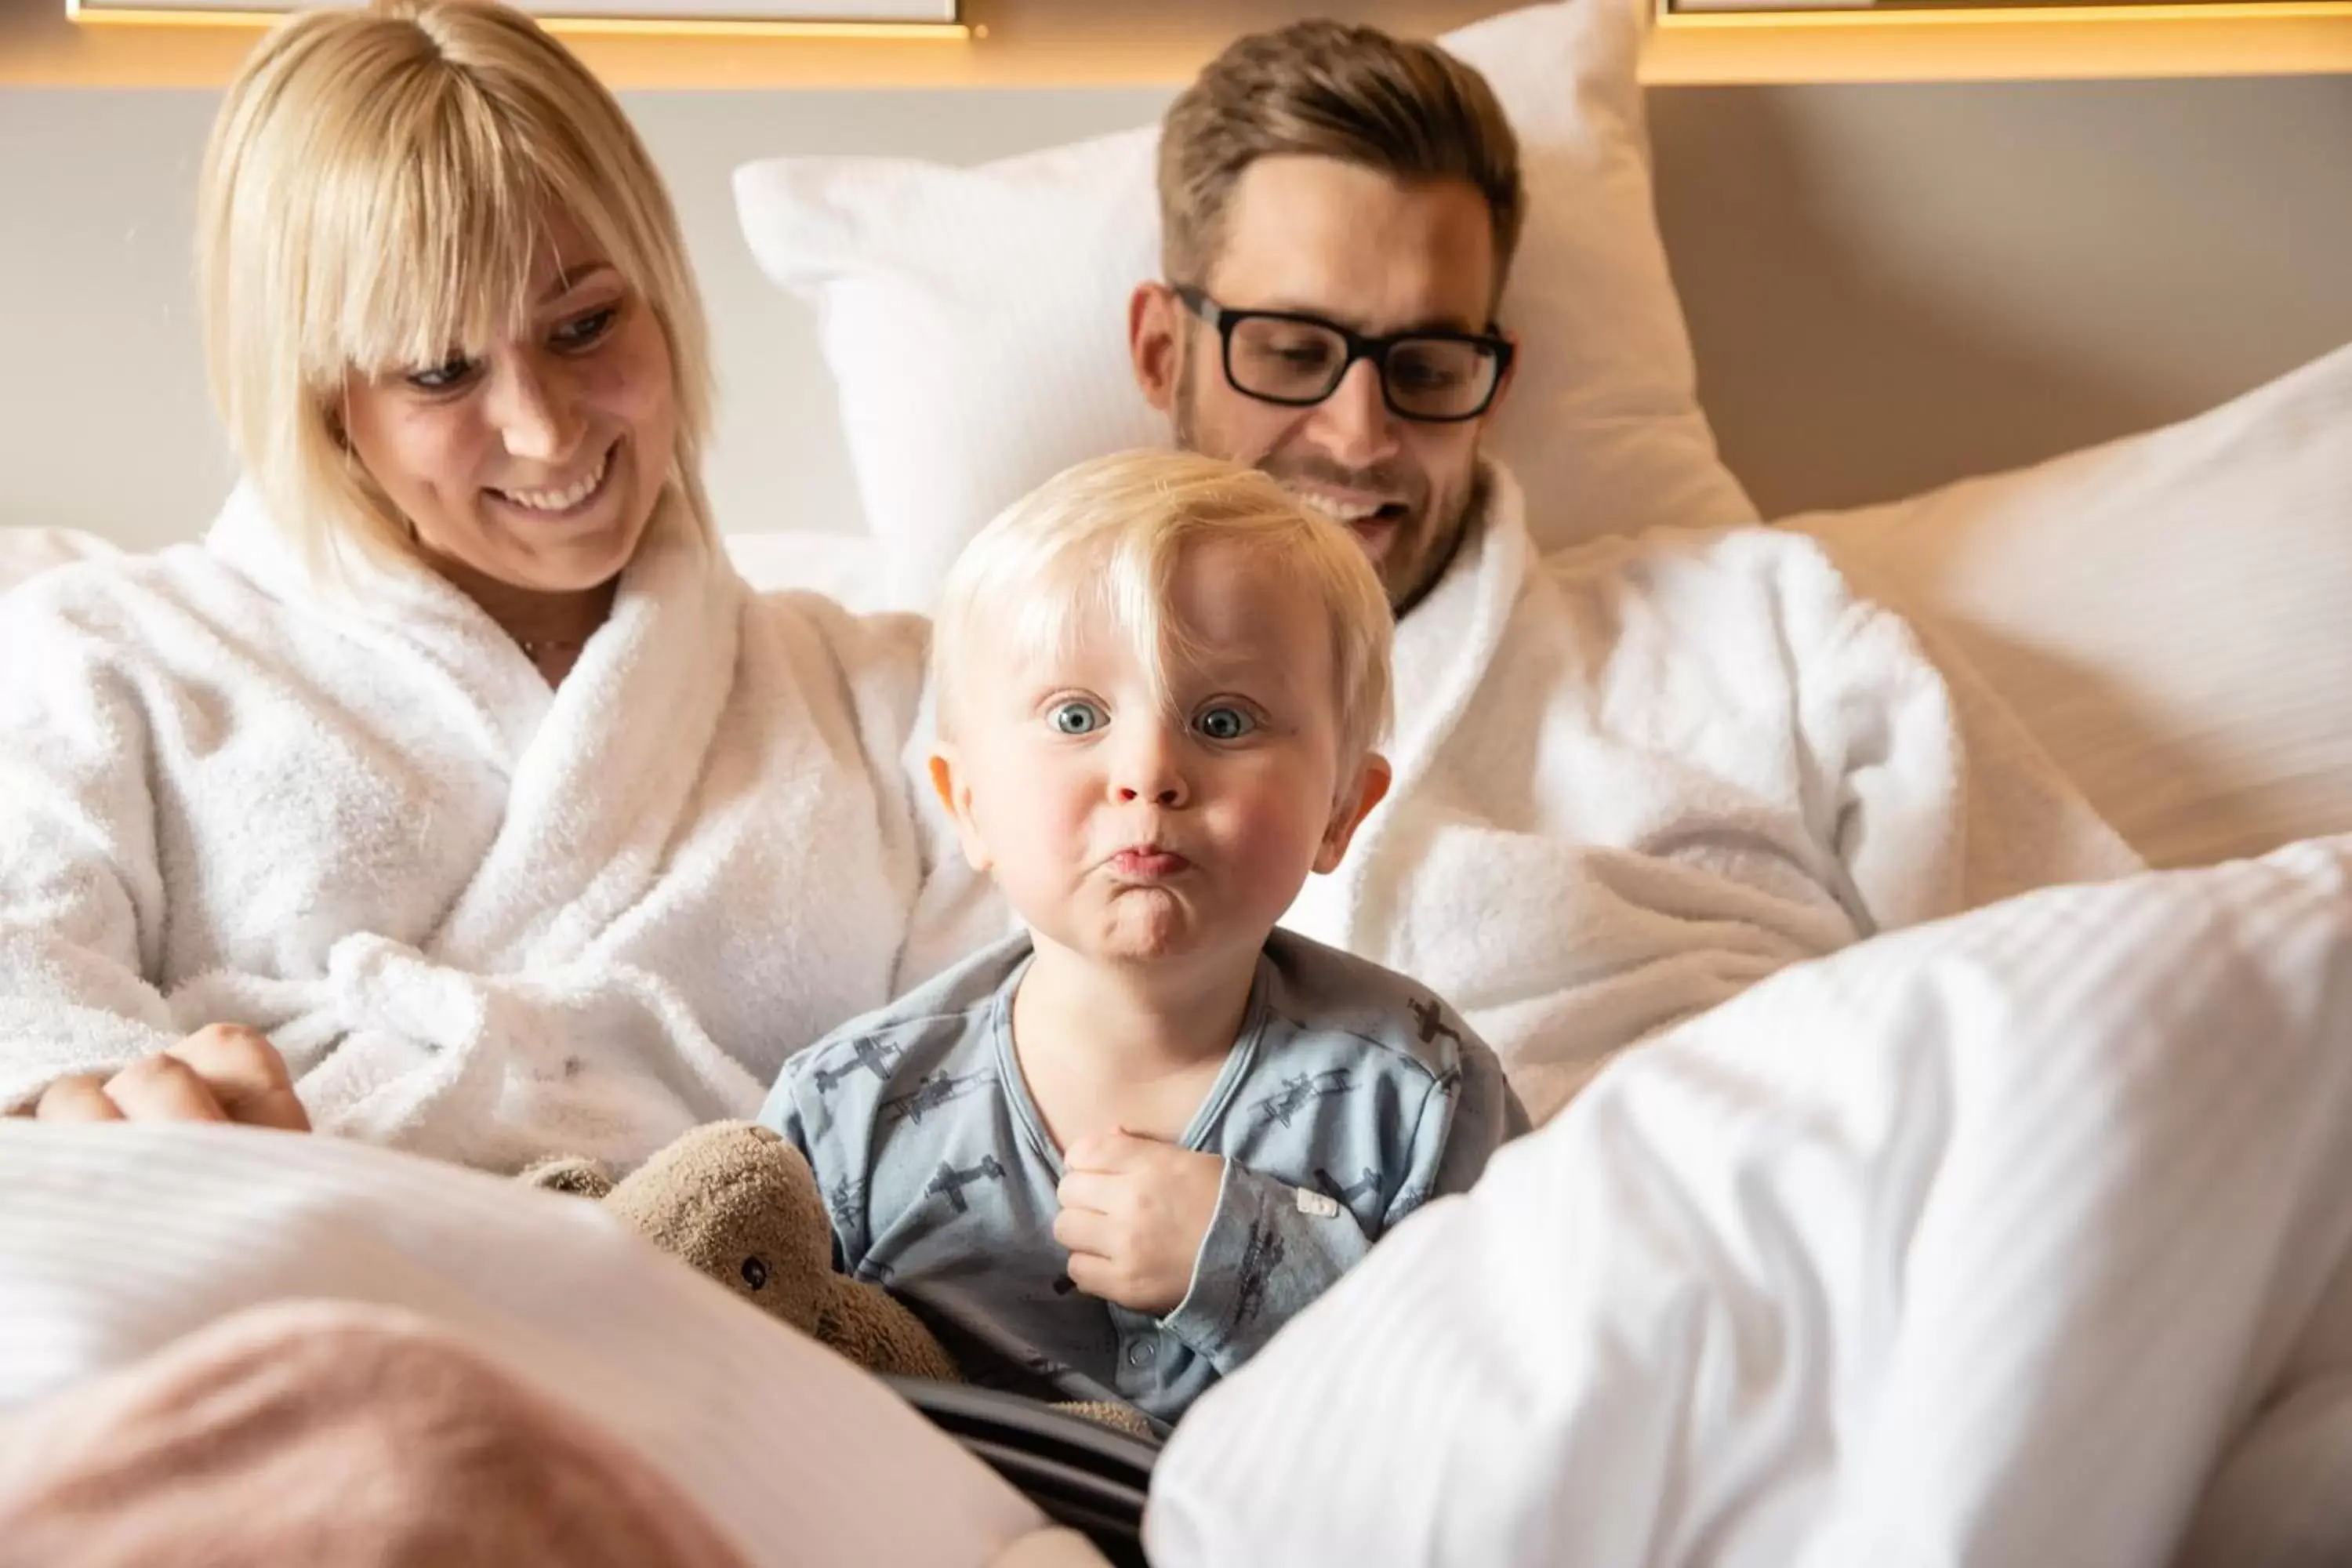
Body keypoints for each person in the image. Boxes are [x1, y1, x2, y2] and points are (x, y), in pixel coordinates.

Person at [0, 0, 973, 1172]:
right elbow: (25, 986)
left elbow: (1021, 1096)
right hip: (303, 1298)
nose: (544, 429)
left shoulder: (892, 697)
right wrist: (108, 1108)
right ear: (322, 399)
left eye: (585, 324)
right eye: (443, 370)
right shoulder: (96, 661)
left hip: (750, 1325)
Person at [1120, 20, 2143, 1121]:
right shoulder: (1002, 721)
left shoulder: (1762, 630)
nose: (1363, 435)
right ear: (1163, 353)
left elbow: (2113, 988)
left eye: (1426, 366)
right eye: (1294, 352)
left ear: (1494, 389)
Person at [760, 451, 1526, 1433]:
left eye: (1223, 718)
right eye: (1076, 716)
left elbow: (1520, 1402)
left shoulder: (1421, 1094)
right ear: (970, 805)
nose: (1150, 772)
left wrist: (1254, 1260)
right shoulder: (847, 1116)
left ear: (1341, 810)